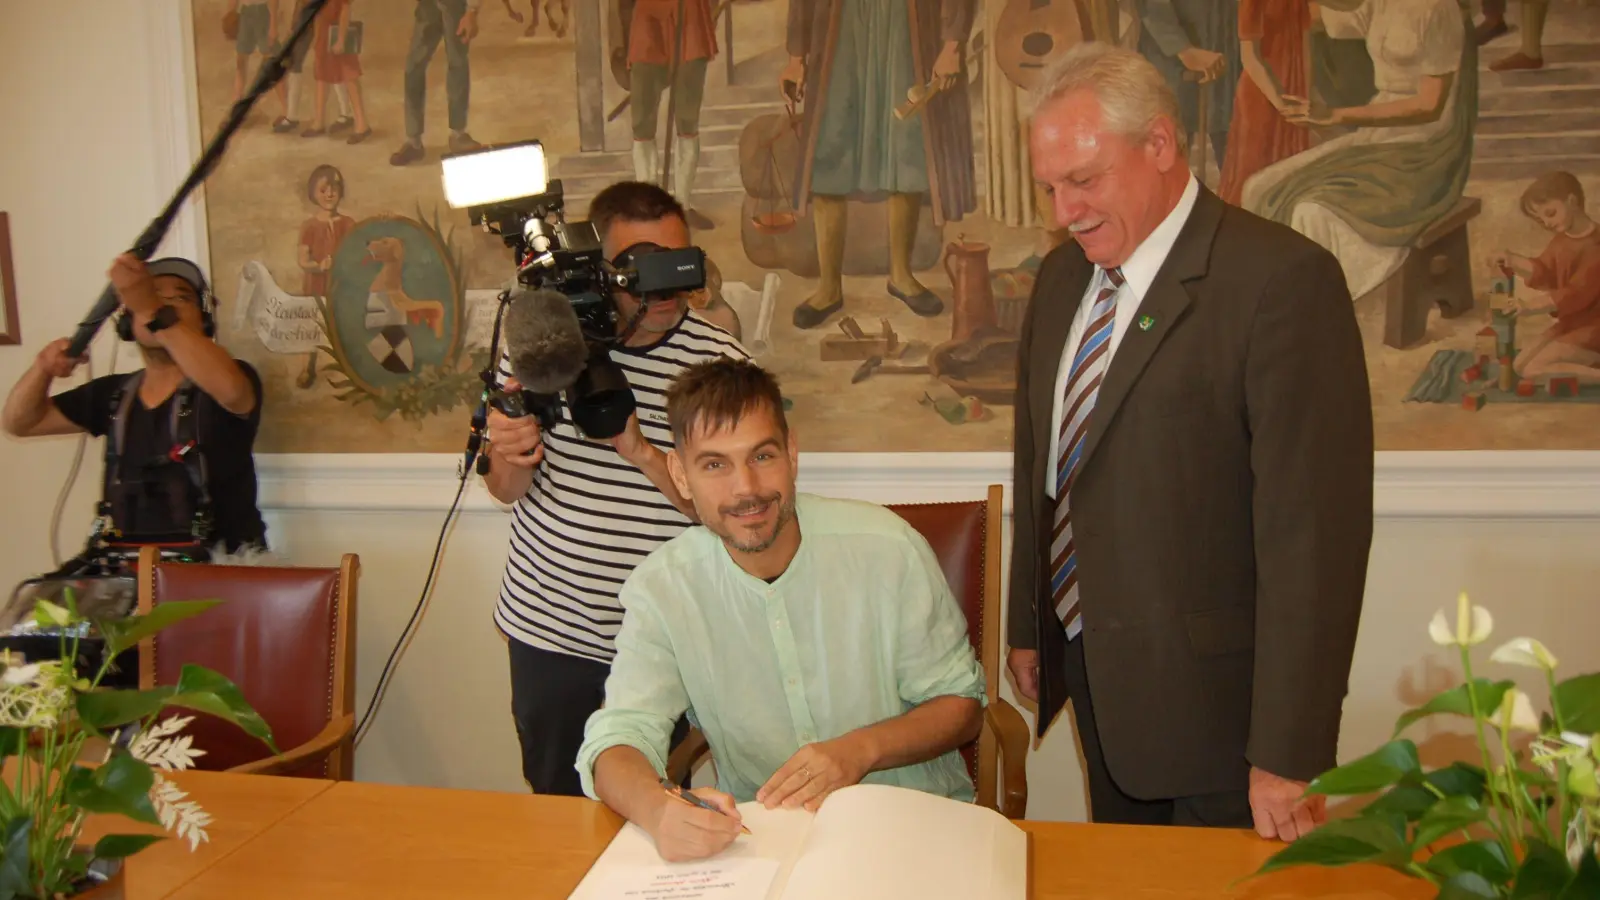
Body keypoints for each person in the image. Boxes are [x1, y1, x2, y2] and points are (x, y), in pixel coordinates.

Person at [1007, 44, 1372, 841]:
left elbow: (1314, 540)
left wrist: (1287, 750)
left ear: (1161, 146)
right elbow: (1042, 457)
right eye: (1050, 188)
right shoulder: (1061, 279)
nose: (1064, 210)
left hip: (1223, 722)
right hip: (1097, 680)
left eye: (1084, 181)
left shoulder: (1280, 282)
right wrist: (1030, 625)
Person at [579, 358, 984, 862]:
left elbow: (961, 708)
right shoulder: (663, 588)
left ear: (791, 454)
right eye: (714, 464)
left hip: (916, 829)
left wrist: (859, 750)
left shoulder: (888, 548)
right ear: (680, 475)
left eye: (762, 456)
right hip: (763, 846)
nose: (746, 489)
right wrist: (657, 808)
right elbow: (618, 738)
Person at [484, 182, 748, 796]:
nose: (661, 288)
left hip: (664, 643)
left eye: (675, 264)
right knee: (557, 812)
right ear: (600, 269)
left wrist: (644, 453)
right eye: (638, 267)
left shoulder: (721, 364)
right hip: (552, 631)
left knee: (657, 820)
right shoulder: (543, 347)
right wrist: (510, 447)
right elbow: (506, 489)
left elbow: (734, 516)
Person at [2, 255, 268, 557]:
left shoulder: (235, 376)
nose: (164, 306)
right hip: (129, 578)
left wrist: (150, 307)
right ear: (127, 322)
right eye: (153, 296)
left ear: (203, 319)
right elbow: (19, 422)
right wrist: (43, 369)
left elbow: (232, 392)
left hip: (225, 575)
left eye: (180, 298)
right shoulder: (113, 393)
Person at [780, 0, 977, 329]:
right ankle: (828, 288)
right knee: (830, 144)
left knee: (905, 143)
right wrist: (795, 58)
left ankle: (901, 275)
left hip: (906, 25)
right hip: (837, 29)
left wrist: (952, 45)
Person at [1492, 171, 1600, 383]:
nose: (1546, 223)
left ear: (1572, 201)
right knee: (1519, 365)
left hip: (1594, 330)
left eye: (1550, 213)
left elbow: (1575, 294)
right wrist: (1512, 260)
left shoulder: (1596, 246)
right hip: (1572, 323)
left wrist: (1529, 306)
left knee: (1534, 370)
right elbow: (1544, 271)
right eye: (1540, 220)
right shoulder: (1562, 241)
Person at [623, 0, 718, 230]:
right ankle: (647, 207)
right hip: (648, 25)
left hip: (690, 22)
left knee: (687, 119)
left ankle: (683, 206)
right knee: (642, 123)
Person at [391, 0, 482, 166]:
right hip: (428, 6)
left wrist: (472, 11)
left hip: (455, 6)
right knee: (413, 66)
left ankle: (458, 135)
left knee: (457, 63)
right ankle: (414, 142)